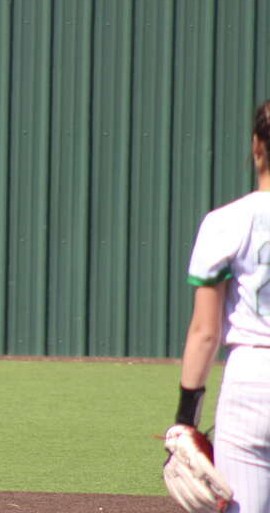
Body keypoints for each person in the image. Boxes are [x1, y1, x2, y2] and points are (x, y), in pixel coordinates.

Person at [172, 99, 270, 512]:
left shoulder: (227, 221)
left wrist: (185, 421)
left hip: (252, 376)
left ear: (256, 146)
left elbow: (205, 331)